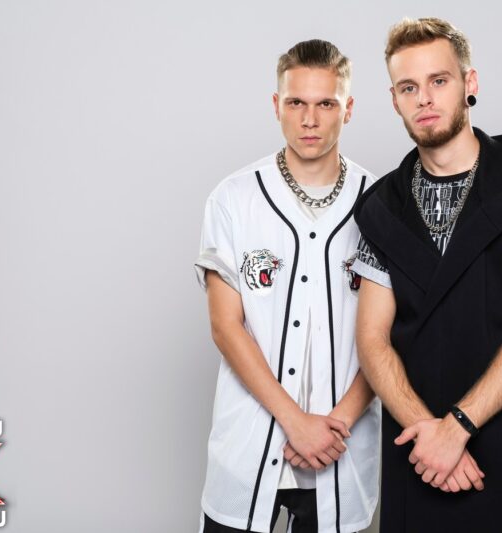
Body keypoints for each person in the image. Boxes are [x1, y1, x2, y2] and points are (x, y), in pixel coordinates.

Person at [351, 18, 502, 533]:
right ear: (394, 100)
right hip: (421, 456)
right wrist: (429, 434)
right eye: (408, 87)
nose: (424, 98)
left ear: (469, 82)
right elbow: (371, 338)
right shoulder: (379, 208)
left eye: (439, 80)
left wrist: (457, 427)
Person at [194, 39, 380, 533]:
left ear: (349, 109)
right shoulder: (233, 198)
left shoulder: (383, 203)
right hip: (249, 445)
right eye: (296, 102)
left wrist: (336, 424)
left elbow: (388, 334)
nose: (309, 120)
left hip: (342, 450)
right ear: (277, 105)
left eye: (326, 104)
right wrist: (296, 422)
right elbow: (225, 326)